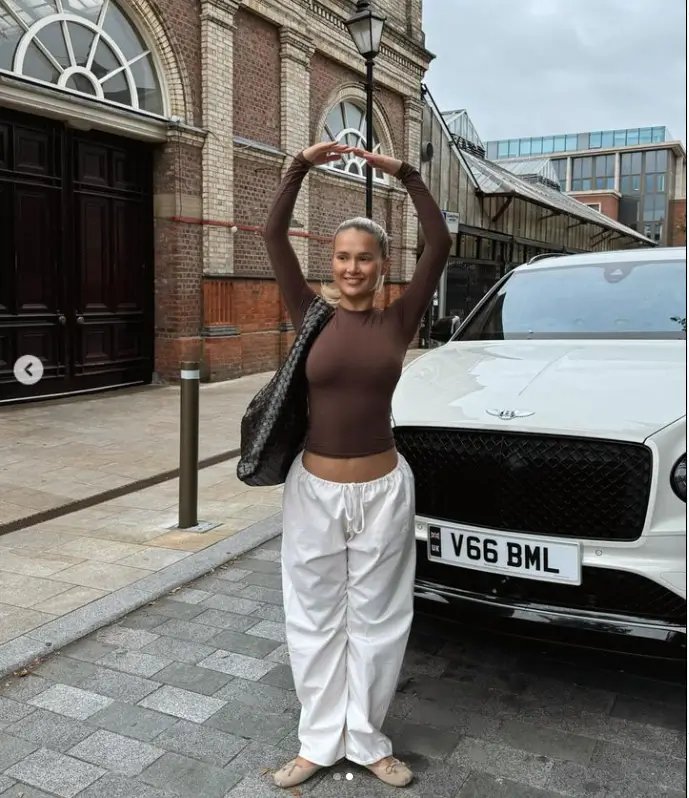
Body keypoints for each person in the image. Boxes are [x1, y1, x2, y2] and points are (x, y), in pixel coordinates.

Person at [262, 140, 452, 789]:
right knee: (312, 617)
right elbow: (271, 235)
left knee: (378, 618)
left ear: (379, 265)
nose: (350, 267)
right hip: (313, 490)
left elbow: (438, 241)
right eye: (341, 257)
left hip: (383, 491)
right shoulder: (308, 315)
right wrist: (300, 167)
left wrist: (403, 174)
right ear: (332, 263)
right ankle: (317, 741)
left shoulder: (399, 320)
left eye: (362, 257)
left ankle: (368, 740)